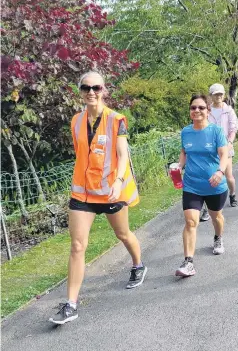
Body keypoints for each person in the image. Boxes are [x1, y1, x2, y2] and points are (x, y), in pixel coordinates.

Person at [49, 72, 146, 325]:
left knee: (123, 234)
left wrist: (117, 181)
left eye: (96, 87)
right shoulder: (76, 121)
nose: (91, 92)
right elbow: (82, 153)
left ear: (104, 90)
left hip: (111, 190)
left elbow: (123, 155)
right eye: (85, 88)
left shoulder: (116, 120)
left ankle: (138, 265)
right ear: (80, 91)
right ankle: (71, 305)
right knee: (77, 246)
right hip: (82, 193)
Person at [175, 94, 229, 277]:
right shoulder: (186, 132)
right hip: (192, 185)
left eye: (201, 107)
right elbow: (184, 152)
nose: (196, 111)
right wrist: (178, 166)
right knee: (191, 221)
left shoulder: (216, 131)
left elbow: (224, 155)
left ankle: (218, 237)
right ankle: (188, 262)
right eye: (193, 108)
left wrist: (220, 172)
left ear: (207, 111)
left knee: (217, 217)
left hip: (215, 185)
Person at [199, 83, 238, 221]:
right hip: (210, 150)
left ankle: (232, 194)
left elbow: (233, 128)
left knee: (228, 176)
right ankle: (207, 209)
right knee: (209, 178)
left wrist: (229, 142)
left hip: (226, 148)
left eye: (221, 94)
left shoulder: (228, 111)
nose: (219, 96)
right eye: (216, 94)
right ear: (211, 96)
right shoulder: (207, 111)